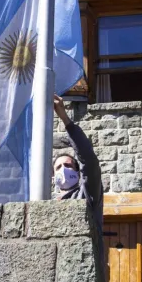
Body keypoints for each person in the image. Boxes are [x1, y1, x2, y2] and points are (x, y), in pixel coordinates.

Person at [52, 95, 103, 229]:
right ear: (53, 176)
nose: (63, 169)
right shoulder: (49, 201)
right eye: (58, 167)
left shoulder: (87, 194)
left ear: (78, 172)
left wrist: (65, 119)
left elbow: (89, 162)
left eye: (68, 165)